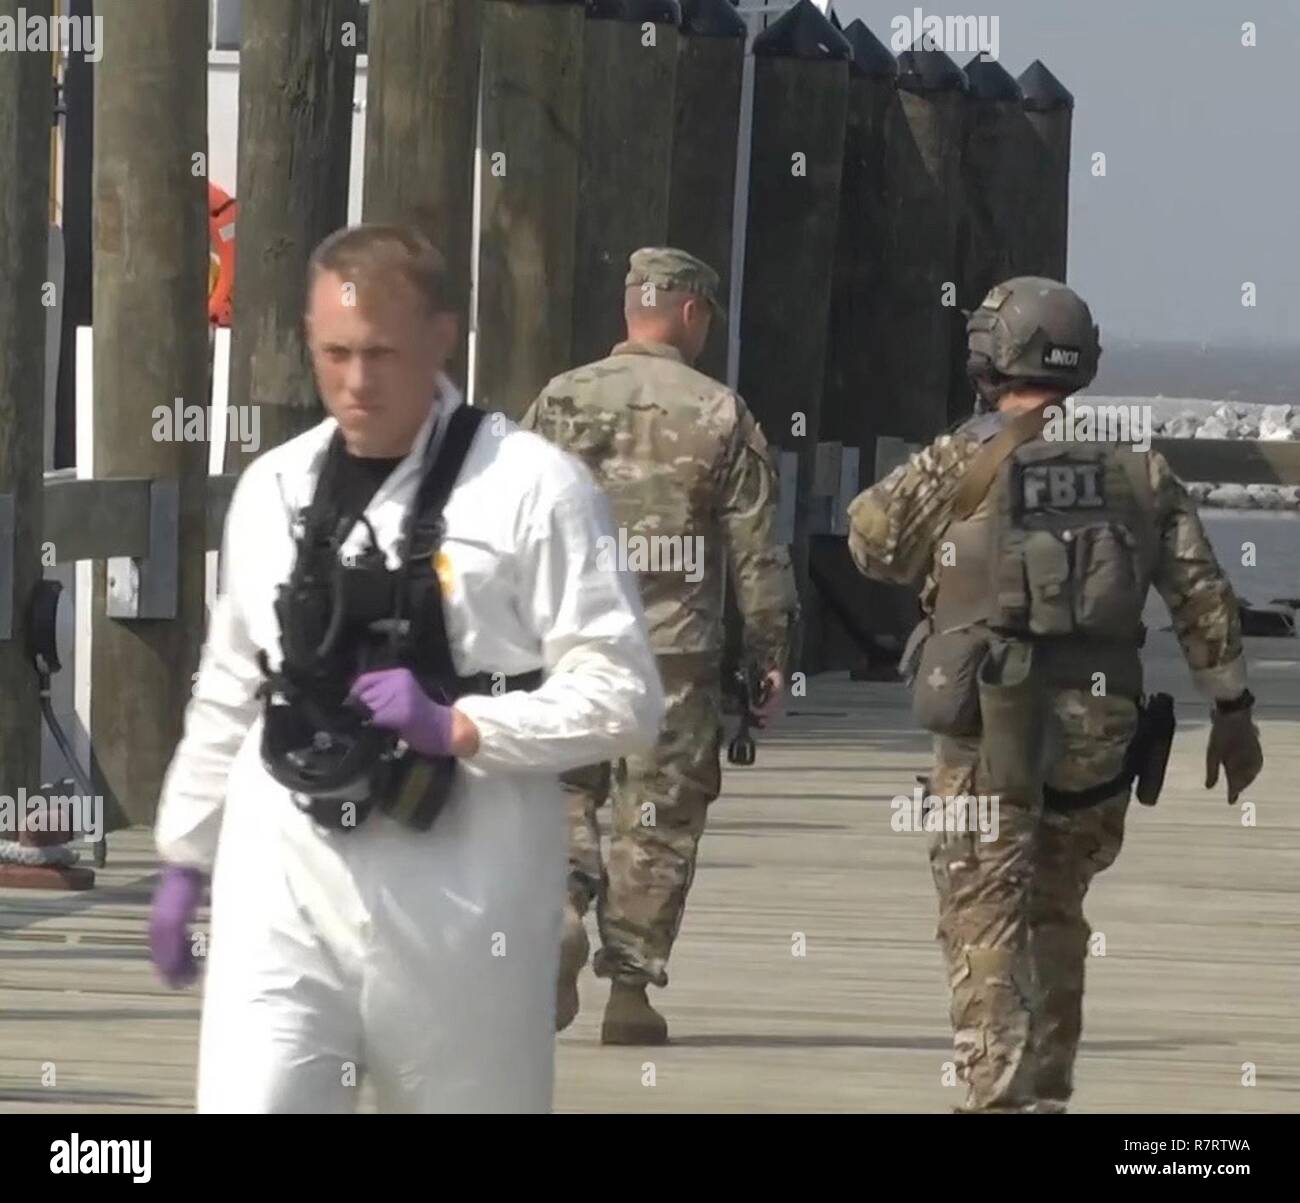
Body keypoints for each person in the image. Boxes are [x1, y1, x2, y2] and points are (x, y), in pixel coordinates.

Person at [147, 223, 665, 1113]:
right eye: (334, 352)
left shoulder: (533, 489)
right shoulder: (271, 488)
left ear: (441, 336)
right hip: (284, 882)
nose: (355, 381)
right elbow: (232, 680)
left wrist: (465, 725)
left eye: (381, 352)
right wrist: (183, 856)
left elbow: (625, 696)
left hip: (464, 901)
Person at [846, 276, 1264, 1113]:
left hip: (985, 723)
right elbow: (1201, 597)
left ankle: (993, 1093)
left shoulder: (968, 454)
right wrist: (1232, 713)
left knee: (980, 907)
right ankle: (1046, 1088)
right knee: (1056, 906)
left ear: (995, 356)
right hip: (1102, 727)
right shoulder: (1138, 466)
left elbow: (873, 541)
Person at [520, 247, 799, 1044]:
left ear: (628, 310)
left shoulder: (560, 399)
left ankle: (563, 909)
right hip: (673, 655)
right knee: (658, 817)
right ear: (690, 313)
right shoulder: (721, 413)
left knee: (566, 793)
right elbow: (757, 554)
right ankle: (631, 993)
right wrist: (769, 658)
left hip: (569, 641)